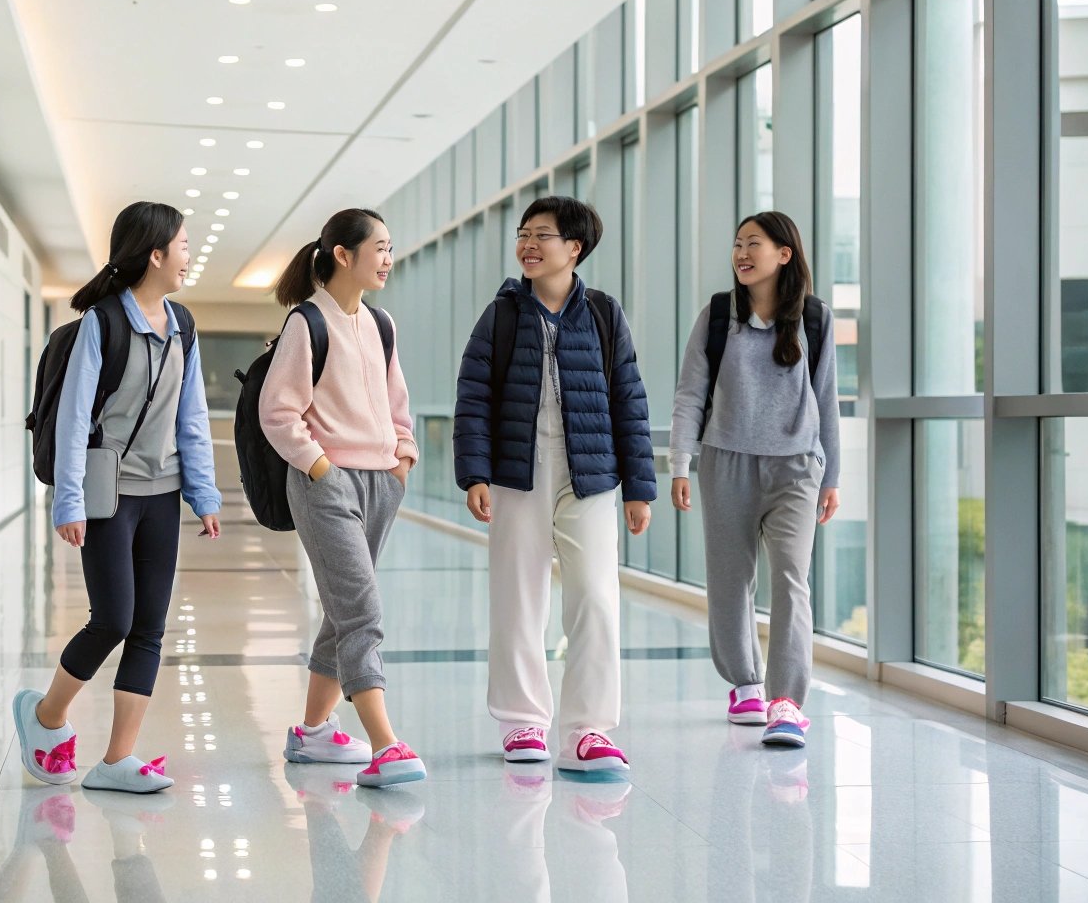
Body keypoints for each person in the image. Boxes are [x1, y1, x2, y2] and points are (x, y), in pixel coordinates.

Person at [12, 201, 221, 793]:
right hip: (109, 495)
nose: (188, 255)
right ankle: (45, 714)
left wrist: (203, 493)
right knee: (113, 619)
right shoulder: (102, 325)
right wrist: (67, 501)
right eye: (183, 244)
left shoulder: (182, 323)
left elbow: (192, 414)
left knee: (151, 626)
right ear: (154, 254)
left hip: (163, 492)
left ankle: (116, 761)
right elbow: (76, 418)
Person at [453, 195, 656, 773]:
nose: (528, 244)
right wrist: (475, 473)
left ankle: (588, 729)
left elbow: (629, 399)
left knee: (595, 596)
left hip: (589, 473)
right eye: (523, 234)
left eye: (542, 234)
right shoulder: (502, 314)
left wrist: (639, 487)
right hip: (518, 471)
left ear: (575, 247)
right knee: (519, 597)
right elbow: (473, 397)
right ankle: (522, 723)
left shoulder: (603, 313)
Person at [260, 207, 426, 788]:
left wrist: (402, 457)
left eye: (389, 246)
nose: (388, 257)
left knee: (342, 606)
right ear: (342, 255)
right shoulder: (308, 323)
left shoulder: (382, 325)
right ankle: (385, 743)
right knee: (363, 610)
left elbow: (397, 402)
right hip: (325, 484)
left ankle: (311, 734)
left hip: (382, 482)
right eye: (379, 247)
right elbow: (277, 411)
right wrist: (320, 466)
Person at [669, 210, 841, 748]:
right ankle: (745, 682)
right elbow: (690, 393)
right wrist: (679, 463)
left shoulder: (814, 318)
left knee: (791, 577)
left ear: (783, 254)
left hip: (795, 467)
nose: (741, 253)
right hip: (726, 462)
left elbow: (827, 398)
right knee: (729, 578)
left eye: (754, 244)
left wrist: (831, 474)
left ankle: (786, 699)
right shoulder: (719, 315)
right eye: (738, 244)